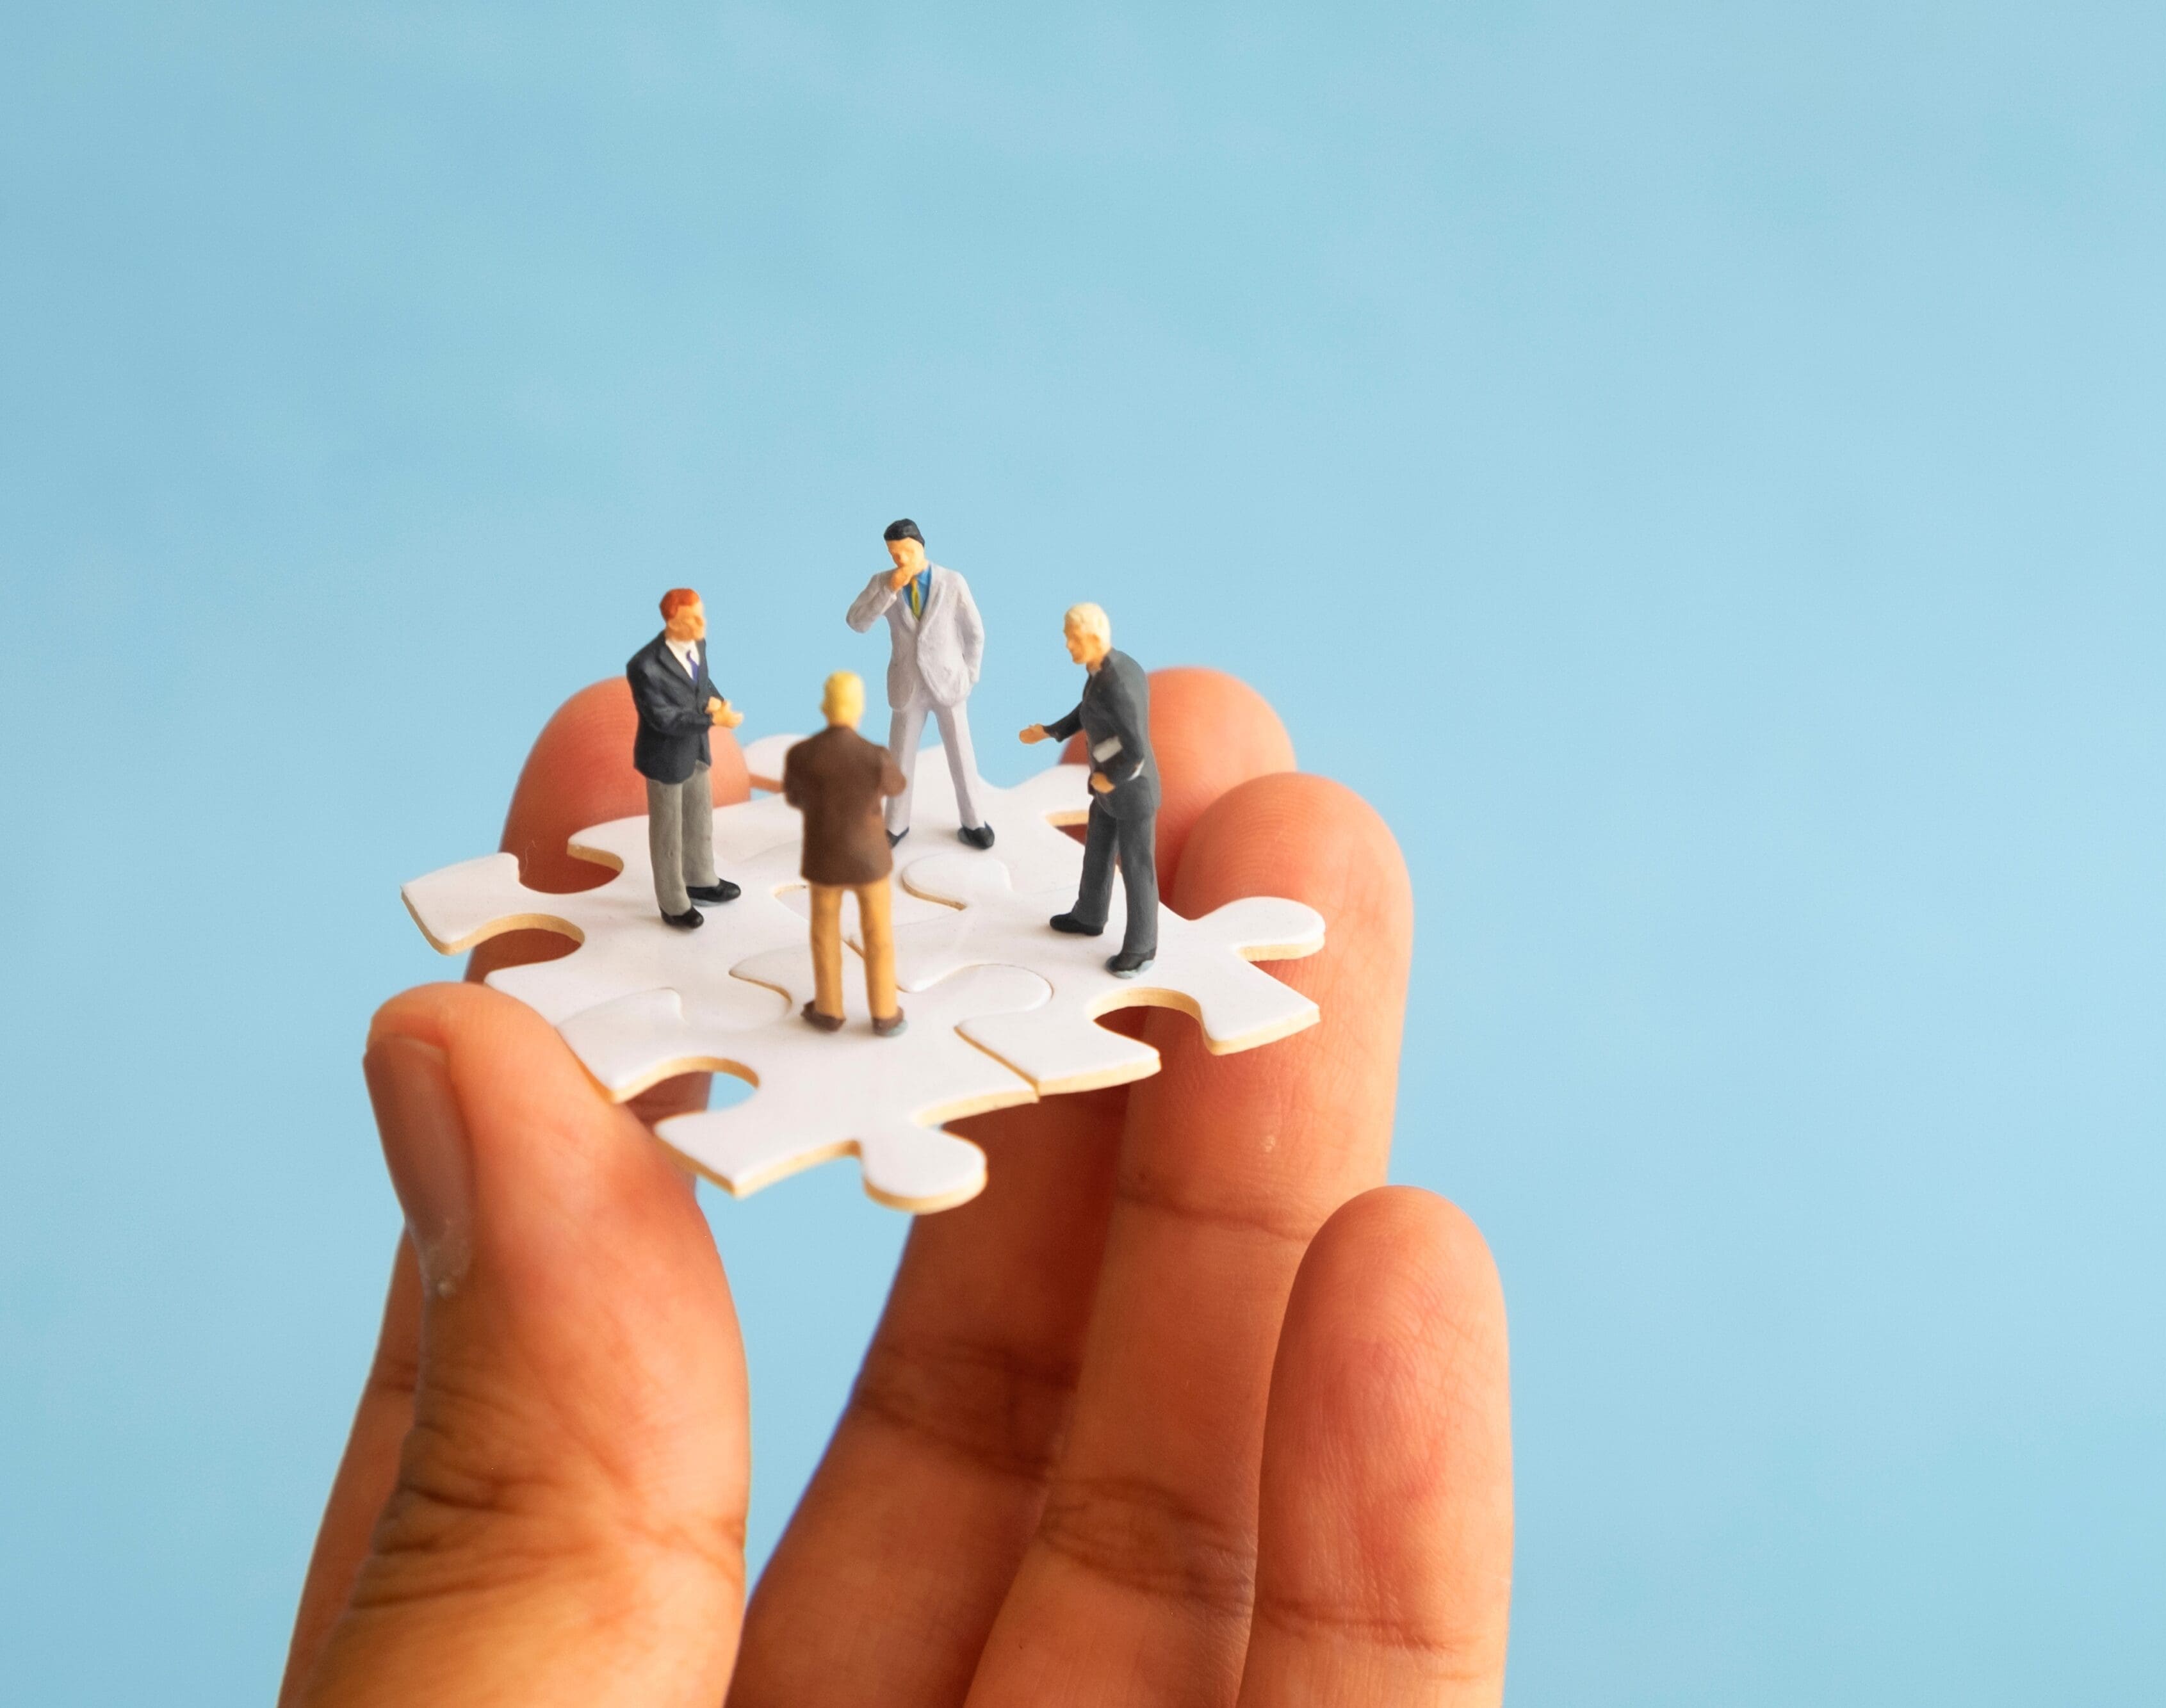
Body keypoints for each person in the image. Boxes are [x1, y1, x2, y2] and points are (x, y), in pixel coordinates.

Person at [280, 668, 1506, 1707]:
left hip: (867, 877)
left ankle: (866, 993)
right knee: (839, 945)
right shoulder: (840, 760)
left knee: (859, 945)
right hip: (839, 876)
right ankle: (852, 996)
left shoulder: (863, 756)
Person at [1020, 602, 1159, 976]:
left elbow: (1135, 751)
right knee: (1097, 852)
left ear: (1094, 638)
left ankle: (1142, 947)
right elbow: (1087, 710)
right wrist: (1050, 732)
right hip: (1106, 788)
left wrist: (1111, 778)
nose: (1067, 645)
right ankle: (1090, 914)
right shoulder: (1101, 671)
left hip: (1131, 791)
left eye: (1072, 639)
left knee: (1136, 868)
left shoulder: (1119, 685)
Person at [845, 518, 993, 849]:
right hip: (907, 684)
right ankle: (895, 825)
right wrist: (889, 590)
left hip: (949, 683)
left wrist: (970, 675)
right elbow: (857, 621)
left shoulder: (952, 582)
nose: (901, 560)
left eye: (907, 552)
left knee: (961, 754)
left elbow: (975, 633)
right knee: (900, 757)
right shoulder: (883, 583)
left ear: (921, 546)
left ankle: (974, 821)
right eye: (894, 554)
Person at [781, 672, 908, 1037]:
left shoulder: (802, 754)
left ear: (825, 706)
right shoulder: (875, 756)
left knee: (823, 934)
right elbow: (898, 786)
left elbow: (793, 797)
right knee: (879, 937)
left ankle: (829, 1009)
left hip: (825, 860)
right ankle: (886, 1014)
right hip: (870, 862)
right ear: (859, 709)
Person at [626, 588, 743, 928]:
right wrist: (711, 720)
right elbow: (662, 718)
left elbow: (702, 685)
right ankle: (673, 902)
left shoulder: (698, 644)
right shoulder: (645, 666)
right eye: (692, 618)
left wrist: (717, 702)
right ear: (672, 621)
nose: (701, 623)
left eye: (702, 614)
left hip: (696, 750)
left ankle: (701, 879)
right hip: (664, 757)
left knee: (700, 819)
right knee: (668, 831)